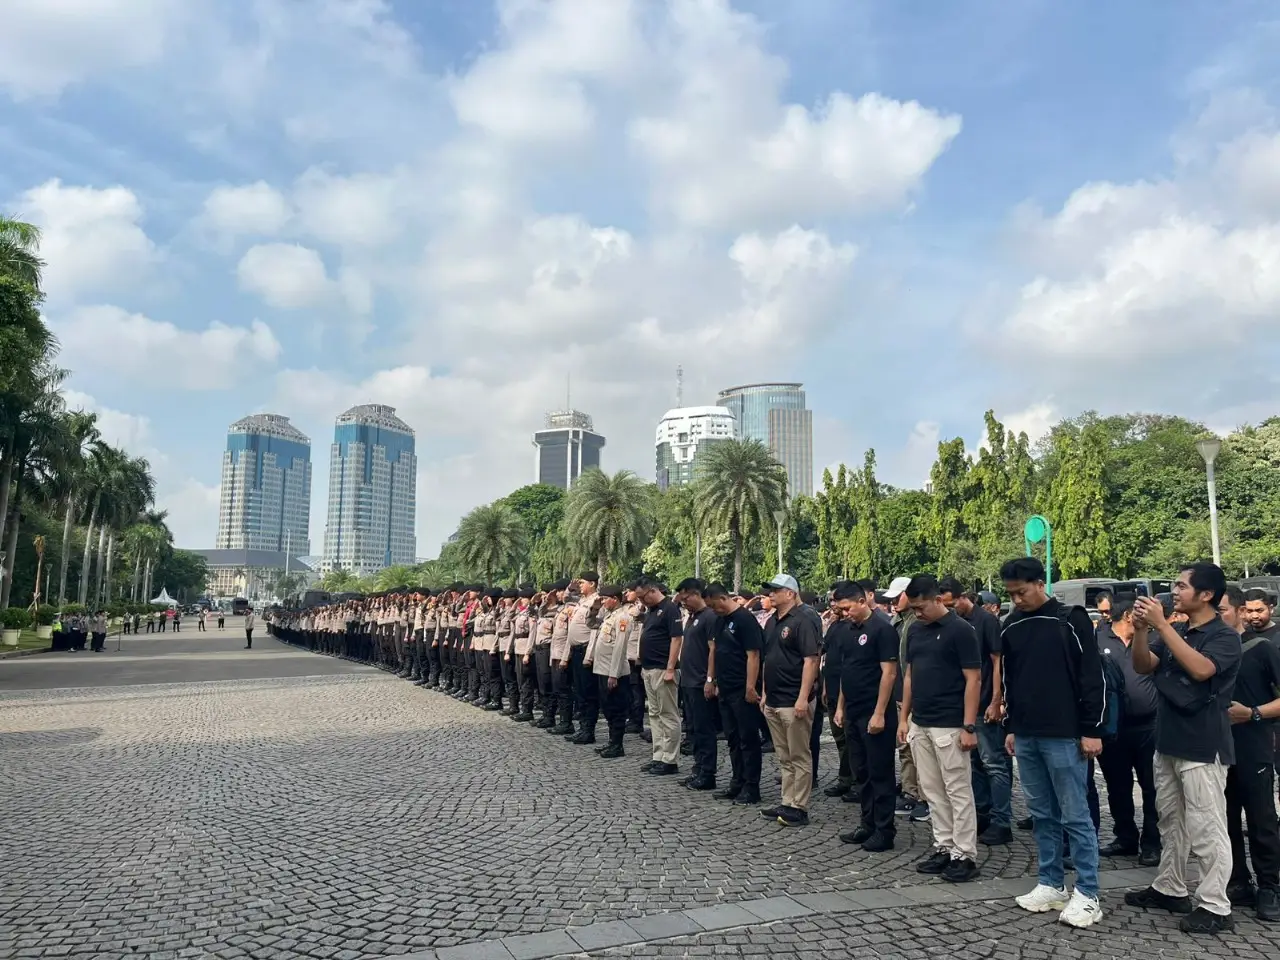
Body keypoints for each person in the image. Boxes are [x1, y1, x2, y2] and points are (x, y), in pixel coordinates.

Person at [1124, 563, 1242, 935]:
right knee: (1170, 821)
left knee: (1207, 826)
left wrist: (1160, 626)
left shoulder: (1223, 636)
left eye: (1181, 586)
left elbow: (1203, 671)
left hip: (1203, 745)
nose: (1174, 591)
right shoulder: (1174, 630)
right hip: (1169, 740)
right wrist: (1143, 632)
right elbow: (1143, 665)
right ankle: (1170, 887)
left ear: (1206, 595)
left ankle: (1215, 905)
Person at [1000, 557, 1105, 928]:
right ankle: (1051, 882)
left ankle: (1088, 892)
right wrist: (1011, 726)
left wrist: (1092, 729)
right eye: (1011, 593)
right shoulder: (1010, 626)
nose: (1017, 599)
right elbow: (1010, 680)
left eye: (1022, 592)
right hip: (1026, 733)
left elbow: (1092, 675)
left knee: (1075, 814)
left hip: (1066, 733)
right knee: (1042, 814)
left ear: (1039, 584)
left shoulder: (1069, 618)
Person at [898, 574, 981, 882]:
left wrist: (969, 725)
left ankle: (964, 854)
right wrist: (904, 718)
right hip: (921, 722)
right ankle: (944, 846)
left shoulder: (961, 630)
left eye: (921, 607)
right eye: (913, 609)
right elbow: (910, 675)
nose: (917, 613)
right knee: (932, 791)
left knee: (957, 791)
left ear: (937, 599)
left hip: (950, 723)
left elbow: (973, 678)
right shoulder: (916, 631)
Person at [1223, 585, 1280, 921]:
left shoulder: (1261, 649)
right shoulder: (1207, 648)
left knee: (1261, 821)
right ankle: (1238, 881)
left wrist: (1254, 713)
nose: (1217, 618)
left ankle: (1270, 886)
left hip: (1254, 747)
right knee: (1224, 822)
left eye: (1223, 611)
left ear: (1241, 611)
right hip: (1216, 750)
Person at [831, 580, 899, 851]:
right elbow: (846, 670)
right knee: (861, 771)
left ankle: (885, 829)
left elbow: (889, 673)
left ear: (862, 601)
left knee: (880, 772)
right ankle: (867, 822)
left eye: (848, 608)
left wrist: (880, 712)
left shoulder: (882, 630)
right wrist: (839, 706)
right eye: (840, 609)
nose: (845, 613)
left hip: (874, 711)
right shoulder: (847, 631)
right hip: (853, 710)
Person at [945, 582, 1011, 846]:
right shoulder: (953, 623)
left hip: (985, 703)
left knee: (994, 763)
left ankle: (1001, 820)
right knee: (974, 764)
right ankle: (982, 812)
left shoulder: (986, 621)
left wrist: (996, 699)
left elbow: (997, 661)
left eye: (951, 604)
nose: (948, 609)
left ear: (963, 598)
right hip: (964, 705)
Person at [1097, 597, 1161, 866]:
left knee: (1152, 788)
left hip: (1149, 726)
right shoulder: (1098, 640)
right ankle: (1125, 836)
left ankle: (1152, 842)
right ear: (1127, 615)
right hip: (1113, 729)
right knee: (1117, 787)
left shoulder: (1154, 640)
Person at [759, 574, 821, 826]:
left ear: (791, 593)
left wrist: (803, 697)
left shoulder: (803, 620)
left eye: (776, 590)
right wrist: (764, 693)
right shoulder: (771, 622)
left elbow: (811, 660)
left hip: (794, 698)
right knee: (784, 755)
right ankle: (787, 800)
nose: (770, 594)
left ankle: (800, 806)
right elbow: (768, 660)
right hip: (774, 698)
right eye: (769, 590)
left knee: (799, 755)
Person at [704, 583, 764, 805]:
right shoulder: (721, 621)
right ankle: (737, 780)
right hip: (726, 688)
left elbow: (754, 655)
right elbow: (717, 651)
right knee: (732, 738)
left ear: (722, 598)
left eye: (714, 605)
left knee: (748, 739)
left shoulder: (744, 619)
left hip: (742, 688)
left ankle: (752, 786)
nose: (713, 610)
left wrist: (750, 686)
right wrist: (714, 680)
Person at [884, 575, 925, 821]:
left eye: (897, 597)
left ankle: (923, 796)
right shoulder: (896, 621)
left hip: (912, 694)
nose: (893, 603)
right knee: (905, 748)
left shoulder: (915, 623)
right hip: (899, 692)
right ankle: (911, 792)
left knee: (917, 747)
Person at [675, 578, 718, 790]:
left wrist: (710, 679)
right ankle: (698, 767)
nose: (683, 602)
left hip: (701, 681)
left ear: (695, 594)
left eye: (686, 598)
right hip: (688, 680)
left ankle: (708, 773)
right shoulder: (692, 617)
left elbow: (713, 649)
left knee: (704, 729)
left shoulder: (709, 617)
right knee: (693, 729)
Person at [638, 579, 684, 776]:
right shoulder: (651, 610)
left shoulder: (670, 609)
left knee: (668, 715)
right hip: (649, 668)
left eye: (642, 596)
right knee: (654, 715)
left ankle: (670, 759)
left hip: (662, 668)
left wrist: (670, 668)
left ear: (653, 590)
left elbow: (676, 639)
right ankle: (658, 755)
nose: (641, 601)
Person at [589, 586, 631, 758]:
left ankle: (617, 745)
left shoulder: (622, 617)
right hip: (603, 669)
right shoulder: (608, 616)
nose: (603, 602)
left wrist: (614, 674)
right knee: (607, 708)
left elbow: (620, 647)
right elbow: (590, 623)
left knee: (616, 709)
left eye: (605, 598)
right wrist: (596, 607)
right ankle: (611, 741)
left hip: (615, 672)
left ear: (615, 598)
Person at [566, 573, 604, 743]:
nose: (580, 585)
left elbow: (595, 631)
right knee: (579, 692)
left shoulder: (597, 603)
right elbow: (566, 598)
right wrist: (570, 588)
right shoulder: (581, 601)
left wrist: (589, 656)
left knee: (588, 693)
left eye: (582, 583)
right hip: (575, 650)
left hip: (585, 651)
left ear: (592, 584)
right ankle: (582, 727)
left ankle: (589, 730)